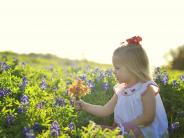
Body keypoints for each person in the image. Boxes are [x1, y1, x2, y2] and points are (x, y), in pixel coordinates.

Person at [74, 36, 169, 138]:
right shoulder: (121, 91)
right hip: (124, 131)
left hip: (145, 133)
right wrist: (84, 105)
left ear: (133, 68)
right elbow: (105, 110)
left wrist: (128, 125)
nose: (114, 71)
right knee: (94, 129)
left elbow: (148, 116)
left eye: (117, 68)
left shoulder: (145, 88)